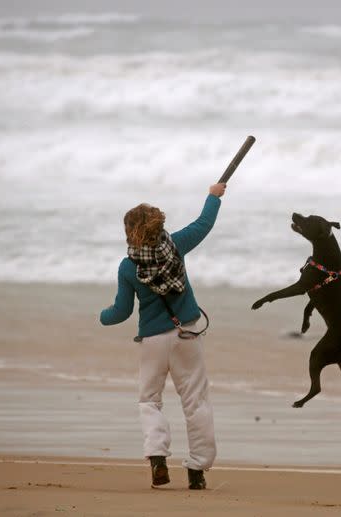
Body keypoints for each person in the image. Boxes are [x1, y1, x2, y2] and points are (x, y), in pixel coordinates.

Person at [99, 182, 226, 490]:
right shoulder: (176, 245)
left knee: (149, 400)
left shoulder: (128, 267)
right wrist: (213, 196)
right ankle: (197, 471)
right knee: (195, 402)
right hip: (187, 333)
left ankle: (157, 458)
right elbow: (204, 224)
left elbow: (122, 311)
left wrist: (103, 317)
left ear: (131, 232)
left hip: (153, 341)